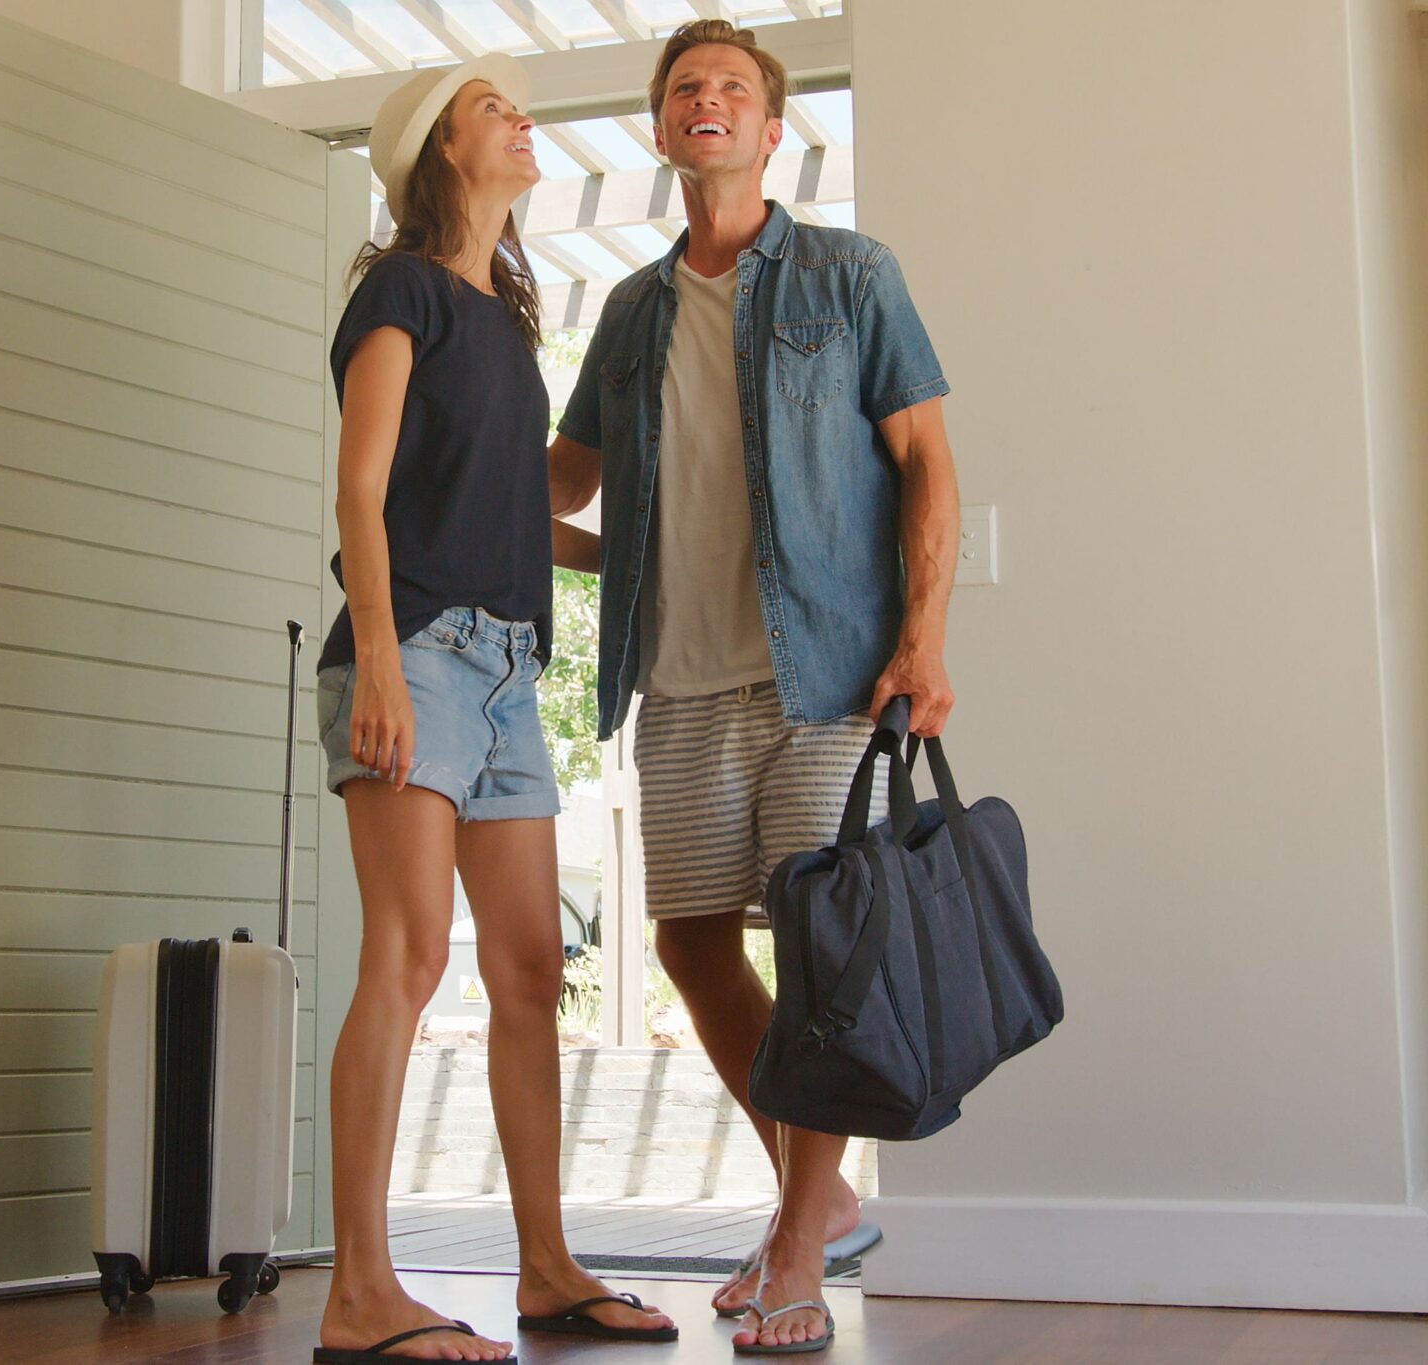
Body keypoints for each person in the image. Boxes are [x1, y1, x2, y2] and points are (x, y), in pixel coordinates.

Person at [548, 20, 961, 1357]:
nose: (706, 102)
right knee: (685, 938)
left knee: (822, 950)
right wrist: (444, 480)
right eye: (684, 91)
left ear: (773, 129)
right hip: (678, 678)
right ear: (664, 134)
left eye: (733, 86)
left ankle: (793, 1233)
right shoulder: (628, 310)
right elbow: (566, 482)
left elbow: (928, 464)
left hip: (828, 674)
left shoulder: (850, 276)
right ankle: (824, 1192)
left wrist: (927, 637)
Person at [312, 55, 679, 1365]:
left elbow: (521, 510)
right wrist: (384, 663)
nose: (521, 122)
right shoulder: (399, 291)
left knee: (530, 971)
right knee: (407, 959)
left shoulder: (506, 319)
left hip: (509, 669)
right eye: (492, 109)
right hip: (412, 649)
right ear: (436, 155)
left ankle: (545, 1266)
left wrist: (643, 550)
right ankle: (361, 1290)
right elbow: (361, 491)